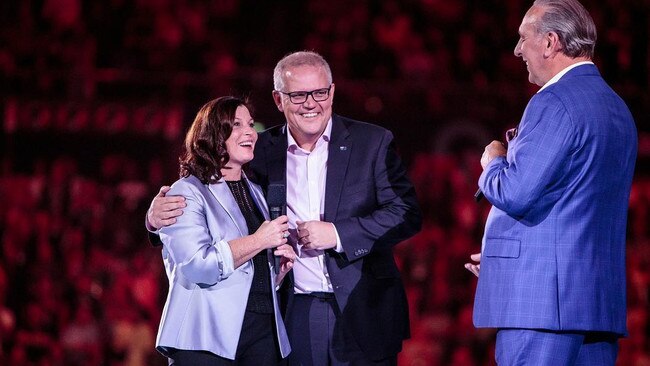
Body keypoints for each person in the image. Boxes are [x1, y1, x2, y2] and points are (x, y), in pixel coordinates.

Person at [148, 51, 422, 365]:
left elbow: (406, 212)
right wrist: (155, 220)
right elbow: (209, 194)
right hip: (293, 313)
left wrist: (337, 234)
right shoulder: (257, 150)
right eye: (299, 95)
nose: (311, 103)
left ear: (332, 92)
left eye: (319, 92)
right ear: (279, 100)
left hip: (364, 308)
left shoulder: (372, 142)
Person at [464, 0, 637, 365]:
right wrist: (510, 260)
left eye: (523, 38)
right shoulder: (618, 109)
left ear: (550, 42)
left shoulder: (554, 101)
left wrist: (493, 160)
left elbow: (515, 192)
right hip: (596, 306)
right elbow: (574, 207)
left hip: (543, 309)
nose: (517, 50)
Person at [154, 96, 296, 365]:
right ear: (212, 135)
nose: (249, 132)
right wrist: (258, 240)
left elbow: (248, 271)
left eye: (251, 124)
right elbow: (198, 265)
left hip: (263, 331)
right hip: (206, 338)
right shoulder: (187, 191)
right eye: (236, 125)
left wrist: (276, 272)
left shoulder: (256, 192)